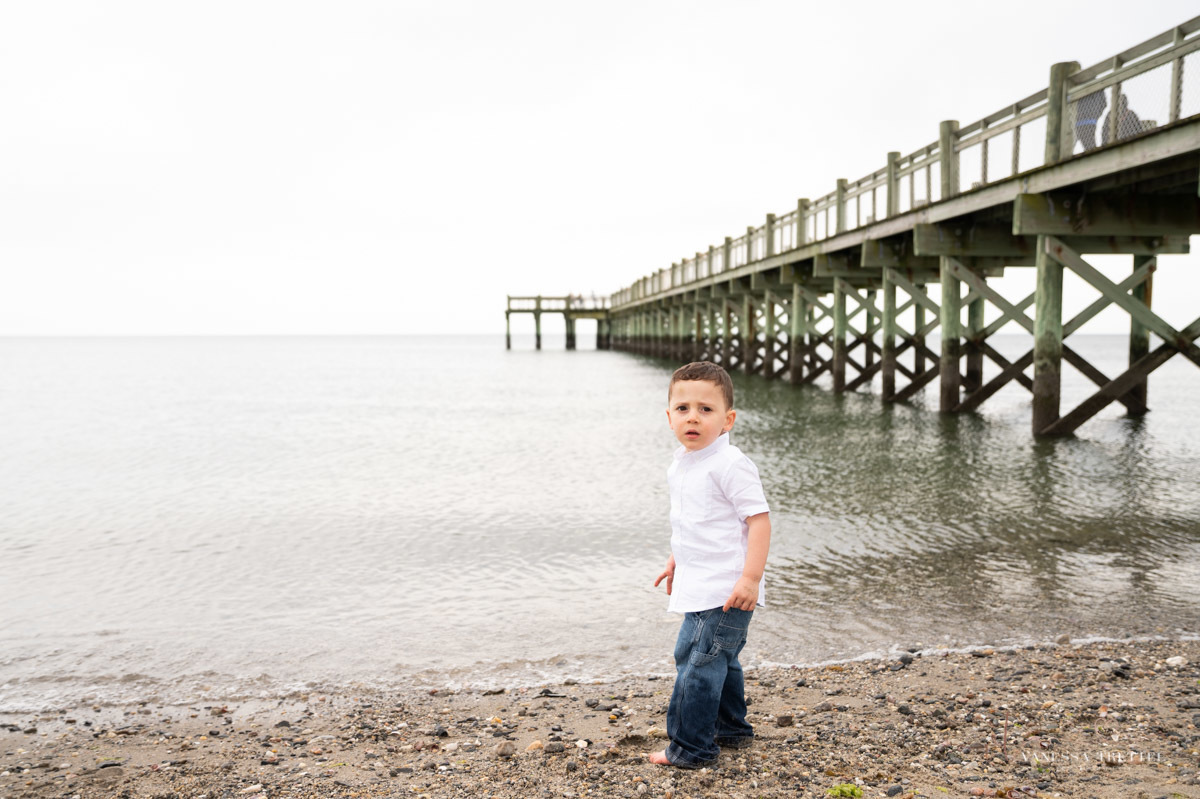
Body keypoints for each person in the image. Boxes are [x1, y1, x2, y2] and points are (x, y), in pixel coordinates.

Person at [649, 361, 772, 768]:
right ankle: (730, 728)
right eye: (683, 408)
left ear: (727, 419)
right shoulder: (683, 462)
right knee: (721, 658)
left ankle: (691, 748)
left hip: (724, 588)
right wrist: (675, 560)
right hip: (700, 580)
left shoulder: (730, 464)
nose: (693, 417)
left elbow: (758, 521)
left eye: (706, 409)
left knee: (696, 662)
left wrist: (751, 579)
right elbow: (694, 523)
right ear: (669, 417)